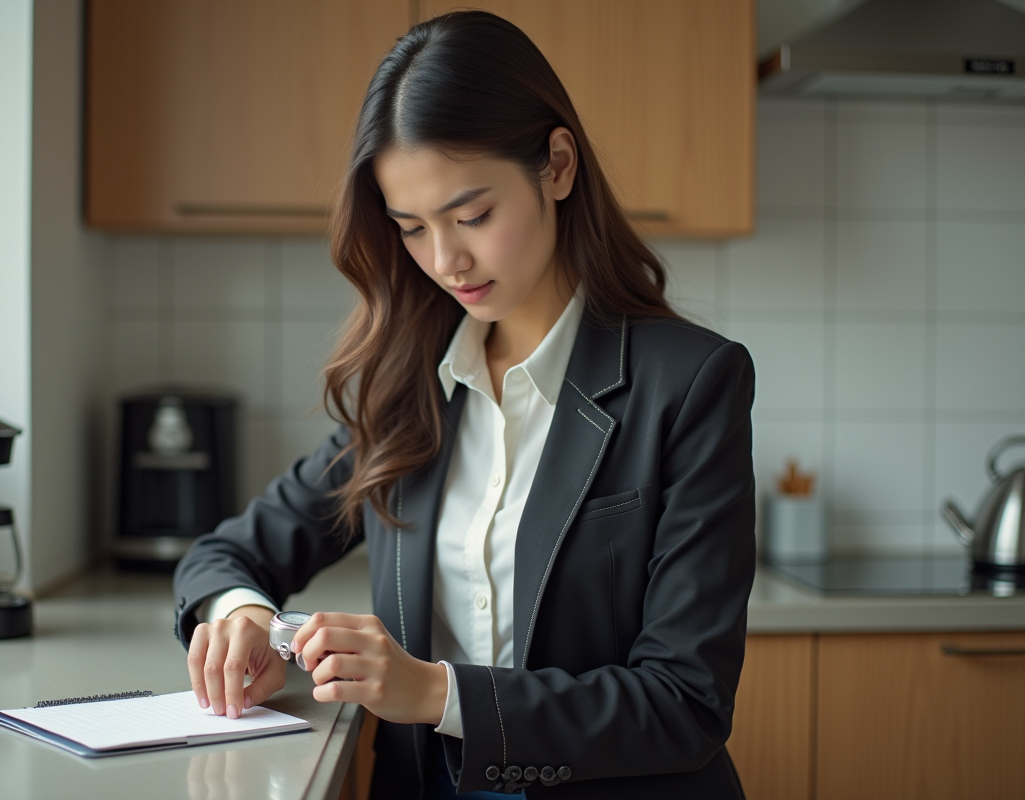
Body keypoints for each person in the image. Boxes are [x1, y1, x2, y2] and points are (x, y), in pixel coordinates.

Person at [173, 10, 755, 799]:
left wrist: (433, 692)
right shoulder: (406, 385)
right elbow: (226, 554)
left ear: (556, 165)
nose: (446, 260)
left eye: (472, 215)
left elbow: (684, 704)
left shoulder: (690, 383)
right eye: (411, 228)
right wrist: (243, 616)